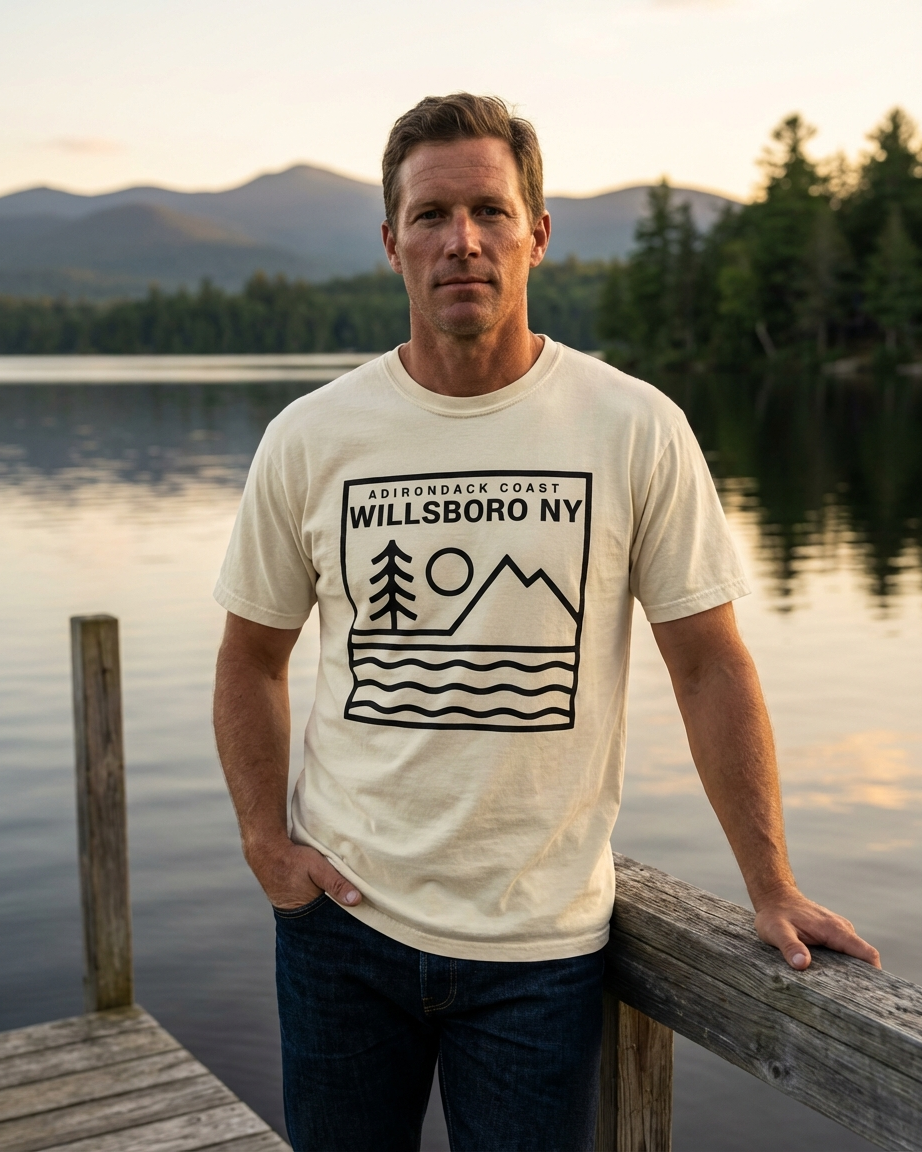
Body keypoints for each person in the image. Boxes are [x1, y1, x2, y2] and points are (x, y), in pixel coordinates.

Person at [212, 93, 879, 1152]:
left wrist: (770, 883)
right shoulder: (311, 438)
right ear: (391, 243)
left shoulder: (633, 426)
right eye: (430, 215)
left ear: (537, 233)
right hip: (342, 931)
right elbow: (251, 659)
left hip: (540, 953)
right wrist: (263, 841)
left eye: (488, 209)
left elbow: (707, 665)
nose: (461, 241)